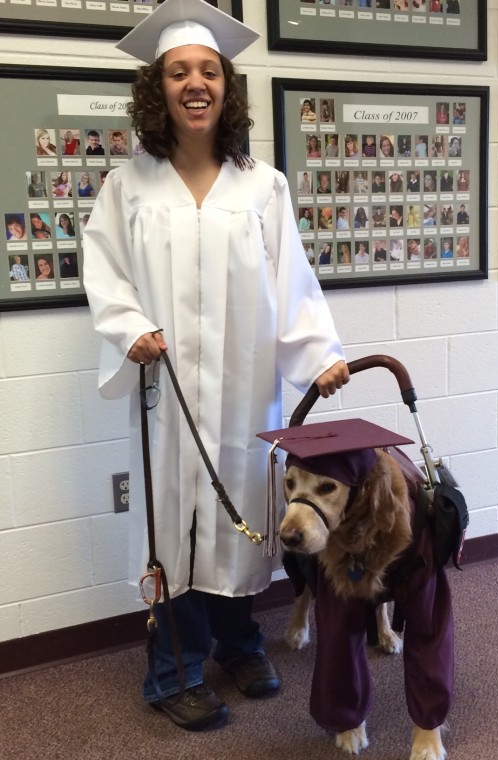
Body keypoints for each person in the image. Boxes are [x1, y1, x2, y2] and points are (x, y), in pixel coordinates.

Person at [82, 0, 348, 733]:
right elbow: (105, 275)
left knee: (241, 518)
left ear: (226, 86)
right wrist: (130, 328)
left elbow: (291, 279)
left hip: (242, 389)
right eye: (178, 72)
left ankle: (239, 642)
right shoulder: (127, 187)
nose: (194, 83)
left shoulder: (262, 187)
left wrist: (319, 356)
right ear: (157, 89)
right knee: (176, 527)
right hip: (166, 394)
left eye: (208, 71)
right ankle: (172, 671)